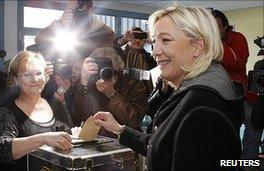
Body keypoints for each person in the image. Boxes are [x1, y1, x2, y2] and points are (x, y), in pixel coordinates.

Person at [93, 6, 244, 170]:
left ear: (198, 46)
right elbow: (164, 147)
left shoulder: (201, 106)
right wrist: (120, 130)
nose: (155, 52)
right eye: (155, 41)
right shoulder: (197, 90)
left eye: (165, 40)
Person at [0, 51, 72, 170]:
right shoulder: (6, 112)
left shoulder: (56, 104)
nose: (35, 79)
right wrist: (43, 139)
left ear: (45, 76)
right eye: (27, 75)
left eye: (39, 73)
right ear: (15, 79)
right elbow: (3, 151)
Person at [211, 9, 262, 162]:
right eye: (210, 27)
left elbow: (236, 62)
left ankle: (248, 160)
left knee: (255, 123)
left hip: (239, 91)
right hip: (213, 92)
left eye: (217, 27)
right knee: (223, 129)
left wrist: (215, 43)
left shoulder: (236, 37)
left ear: (225, 26)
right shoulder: (201, 40)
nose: (213, 31)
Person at [72, 46, 148, 138]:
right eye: (100, 64)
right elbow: (79, 115)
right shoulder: (91, 82)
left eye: (108, 64)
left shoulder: (132, 84)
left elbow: (133, 120)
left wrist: (112, 94)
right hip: (95, 140)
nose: (104, 69)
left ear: (119, 66)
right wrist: (83, 82)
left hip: (125, 141)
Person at [35, 0, 114, 60]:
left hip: (90, 77)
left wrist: (77, 30)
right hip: (63, 74)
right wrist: (62, 24)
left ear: (91, 10)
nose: (77, 15)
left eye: (81, 12)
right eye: (74, 11)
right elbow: (39, 40)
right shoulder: (62, 23)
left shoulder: (105, 32)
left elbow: (99, 56)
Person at [114, 27, 157, 95]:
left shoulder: (149, 58)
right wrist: (122, 40)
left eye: (141, 37)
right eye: (134, 36)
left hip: (144, 98)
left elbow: (155, 73)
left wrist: (153, 42)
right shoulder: (118, 56)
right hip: (121, 96)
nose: (137, 40)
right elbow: (108, 49)